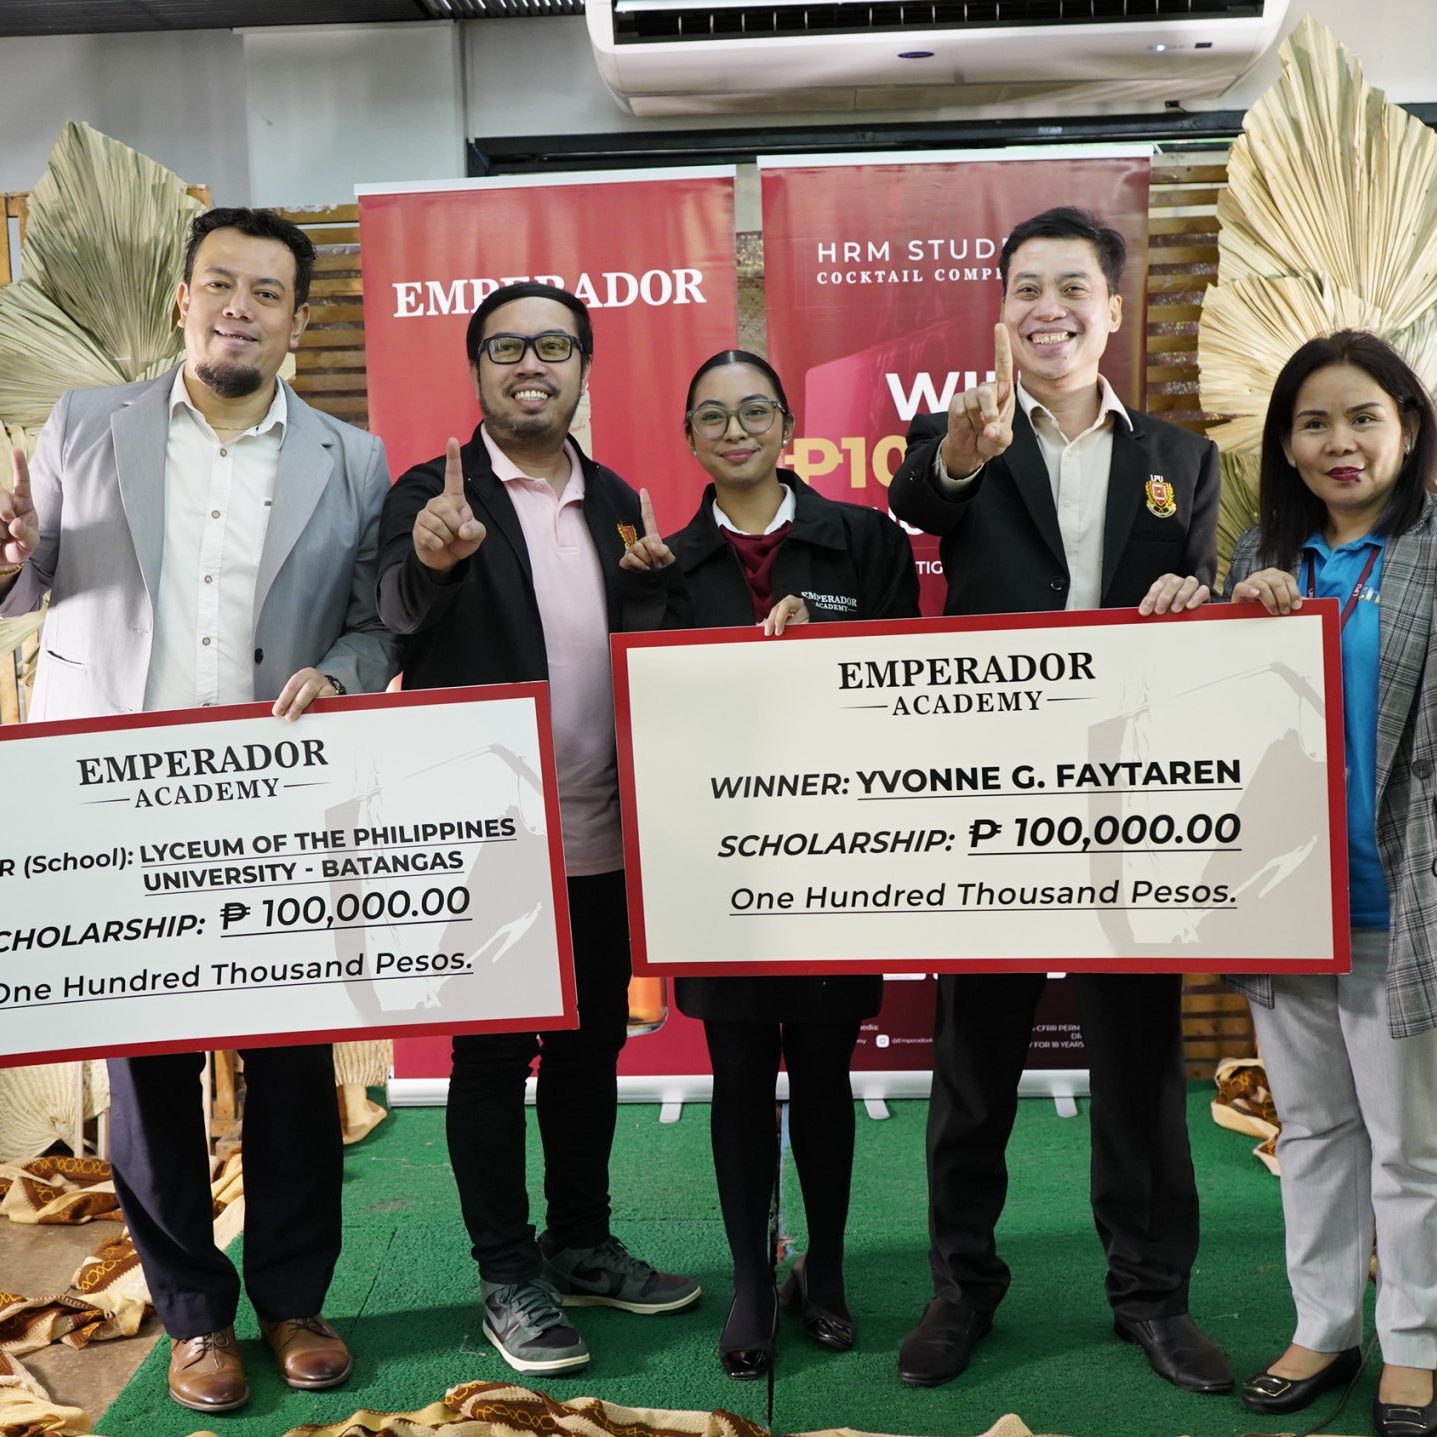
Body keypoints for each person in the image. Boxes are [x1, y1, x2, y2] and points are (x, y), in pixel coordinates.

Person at [0, 206, 397, 1413]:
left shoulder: (353, 457)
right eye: (220, 283)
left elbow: (373, 620)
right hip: (119, 794)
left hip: (278, 794)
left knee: (292, 1059)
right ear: (183, 298)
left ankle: (294, 1301)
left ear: (297, 320)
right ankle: (192, 1318)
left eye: (267, 292)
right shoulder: (85, 424)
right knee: (150, 1072)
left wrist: (345, 674)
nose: (240, 307)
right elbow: (27, 578)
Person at [887, 206, 1230, 1394]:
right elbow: (923, 503)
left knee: (1139, 1064)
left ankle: (1152, 1298)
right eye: (1027, 288)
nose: (1050, 308)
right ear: (1002, 312)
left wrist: (1198, 596)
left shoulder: (1182, 458)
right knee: (972, 1061)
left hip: (1132, 798)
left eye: (1073, 287)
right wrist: (963, 455)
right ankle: (959, 1290)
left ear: (1113, 310)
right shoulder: (963, 431)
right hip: (993, 798)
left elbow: (1210, 598)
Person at [374, 282, 699, 1378]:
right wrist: (433, 559)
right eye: (506, 347)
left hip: (602, 830)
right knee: (488, 1058)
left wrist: (658, 596)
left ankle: (580, 1243)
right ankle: (507, 1273)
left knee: (591, 1047)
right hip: (491, 837)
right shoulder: (432, 492)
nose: (530, 365)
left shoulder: (617, 499)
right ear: (476, 370)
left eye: (553, 346)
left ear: (581, 368)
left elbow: (633, 649)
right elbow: (392, 614)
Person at [620, 348, 919, 1379]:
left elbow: (904, 683)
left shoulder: (865, 539)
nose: (735, 429)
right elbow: (649, 711)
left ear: (788, 427)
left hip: (836, 851)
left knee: (827, 1070)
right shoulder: (661, 560)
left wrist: (821, 632)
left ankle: (822, 1270)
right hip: (717, 861)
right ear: (690, 438)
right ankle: (752, 1278)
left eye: (755, 411)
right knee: (739, 1072)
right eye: (712, 416)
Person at [1220, 330, 1437, 1437]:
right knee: (1309, 1132)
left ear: (1408, 425)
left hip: (1406, 896)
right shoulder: (1262, 555)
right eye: (1313, 423)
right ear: (1286, 445)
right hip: (1289, 899)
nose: (1339, 442)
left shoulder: (1432, 550)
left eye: (1362, 417)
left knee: (1410, 1144)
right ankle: (1323, 1327)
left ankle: (1416, 1344)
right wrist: (1209, 619)